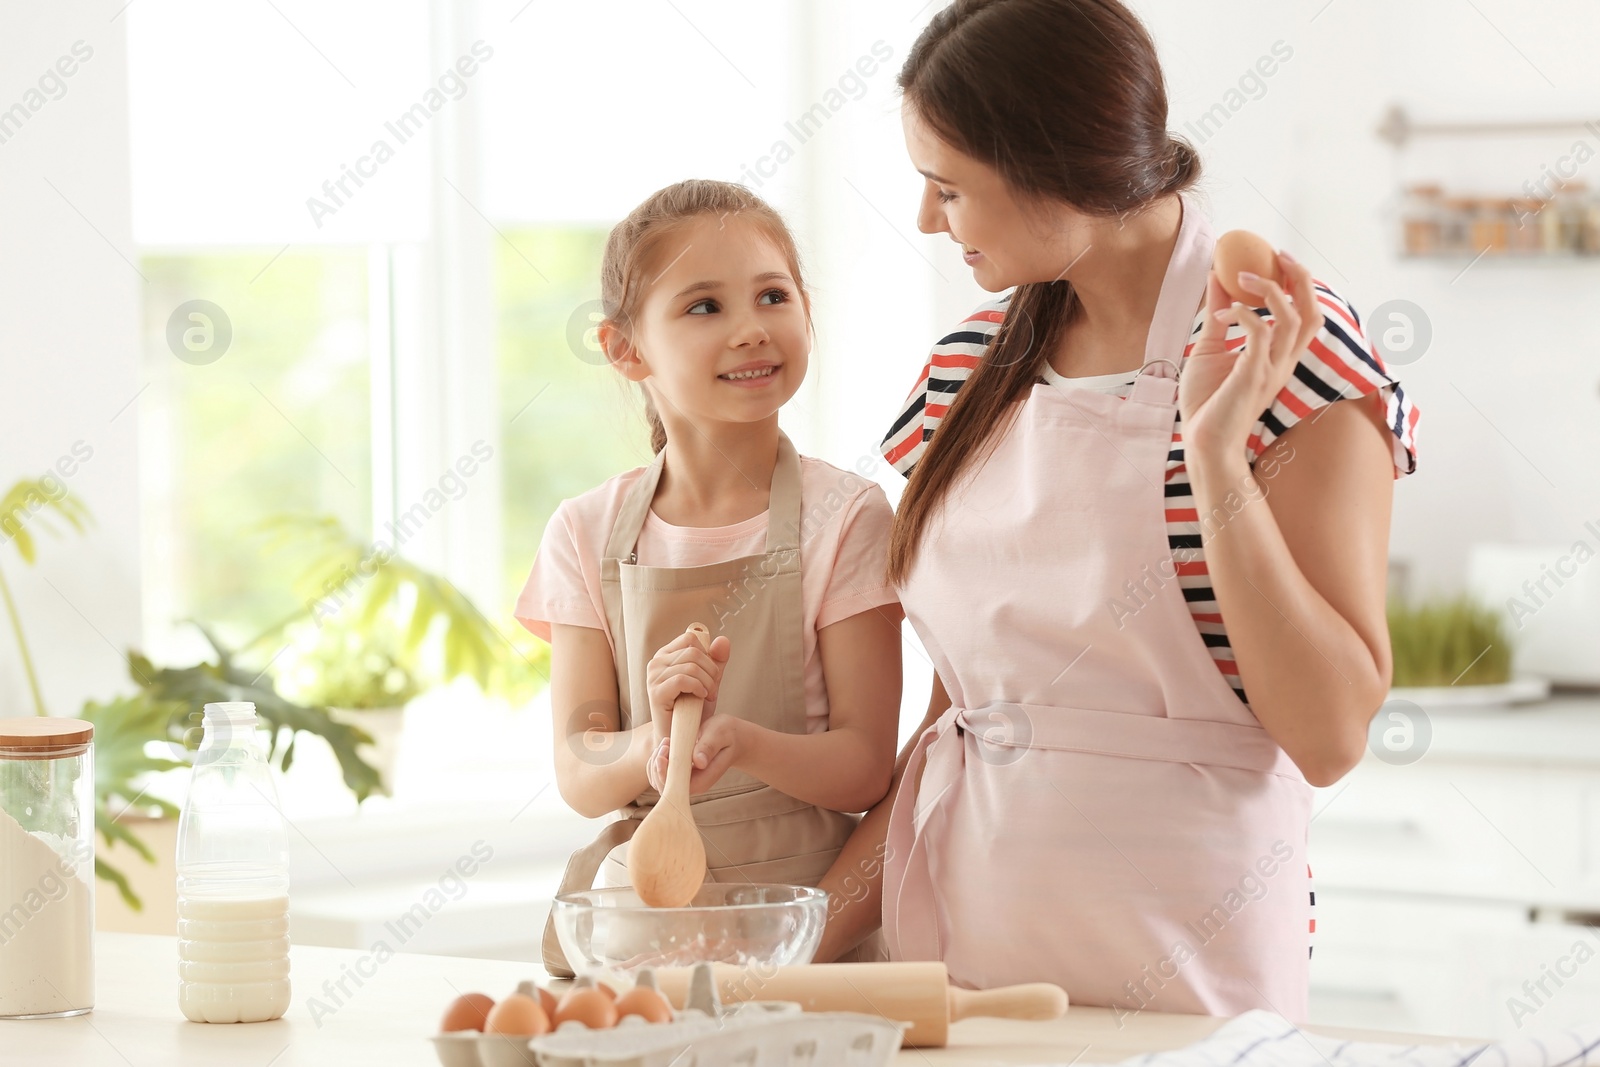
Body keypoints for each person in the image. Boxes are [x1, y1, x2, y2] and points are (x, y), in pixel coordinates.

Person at [813, 0, 1420, 1021]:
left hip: (1192, 977)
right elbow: (952, 729)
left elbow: (1326, 733)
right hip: (961, 981)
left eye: (947, 186)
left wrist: (1214, 445)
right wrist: (775, 949)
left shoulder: (1286, 353)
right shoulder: (966, 368)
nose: (927, 220)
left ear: (1053, 164)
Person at [515, 180, 904, 976]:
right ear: (627, 349)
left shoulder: (847, 517)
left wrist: (744, 743)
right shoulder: (584, 532)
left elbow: (866, 763)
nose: (752, 330)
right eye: (704, 307)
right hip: (643, 916)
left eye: (773, 295)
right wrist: (660, 744)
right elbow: (581, 771)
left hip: (801, 920)